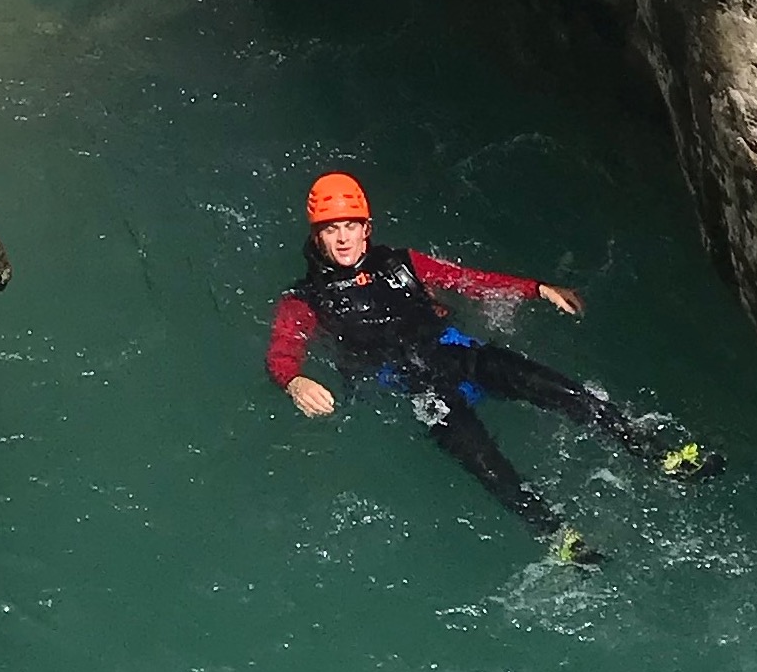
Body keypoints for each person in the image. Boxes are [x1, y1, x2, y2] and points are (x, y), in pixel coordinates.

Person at [266, 172, 721, 560]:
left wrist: (535, 289)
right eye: (331, 229)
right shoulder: (305, 298)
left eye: (351, 226)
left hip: (455, 352)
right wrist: (294, 381)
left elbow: (466, 280)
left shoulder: (403, 264)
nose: (343, 238)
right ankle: (558, 538)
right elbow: (283, 352)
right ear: (317, 236)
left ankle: (654, 452)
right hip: (416, 387)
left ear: (367, 228)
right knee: (485, 461)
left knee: (560, 390)